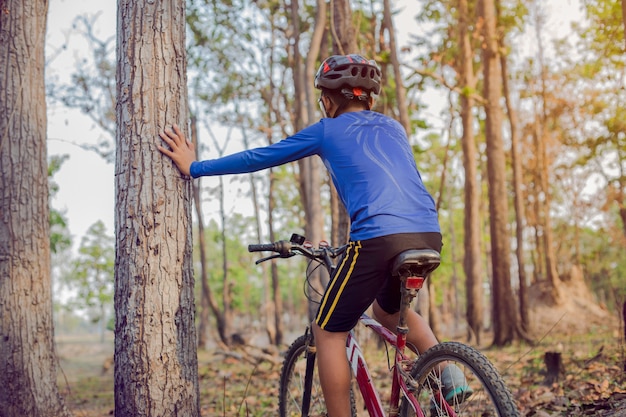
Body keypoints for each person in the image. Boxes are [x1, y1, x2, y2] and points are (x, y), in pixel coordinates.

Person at [158, 54, 470, 417]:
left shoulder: (327, 129)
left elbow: (260, 156)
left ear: (330, 98)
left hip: (376, 239)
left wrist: (195, 167)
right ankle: (449, 374)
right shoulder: (394, 127)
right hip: (428, 234)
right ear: (368, 97)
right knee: (387, 313)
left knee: (328, 331)